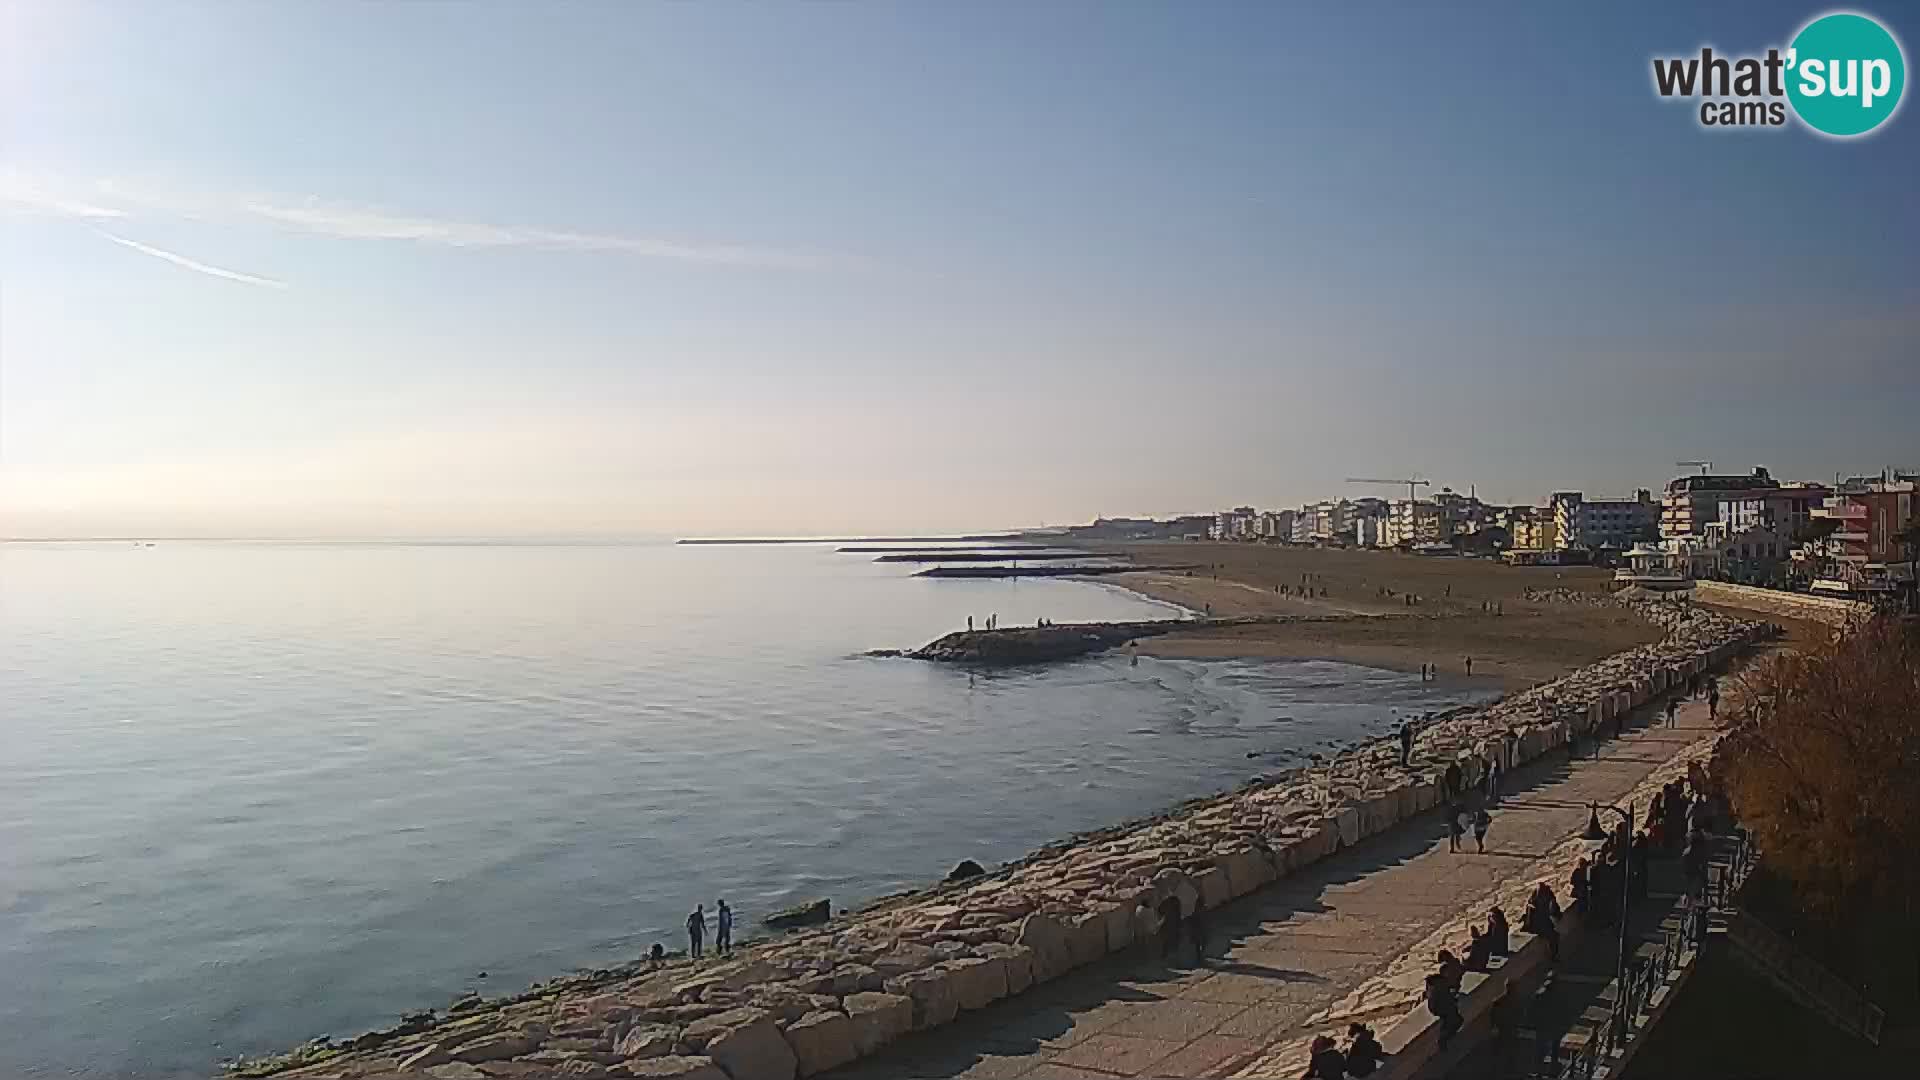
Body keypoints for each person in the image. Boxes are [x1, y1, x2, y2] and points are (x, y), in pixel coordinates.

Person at [1524, 883, 1563, 962]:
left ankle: (1552, 954)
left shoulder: (1535, 897)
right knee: (1554, 937)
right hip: (1542, 924)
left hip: (1536, 924)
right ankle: (1553, 956)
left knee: (1553, 936)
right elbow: (1554, 910)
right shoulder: (1547, 897)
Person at [1425, 972, 1462, 1048]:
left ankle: (1445, 1037)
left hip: (1441, 1007)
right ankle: (1444, 1039)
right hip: (1443, 1007)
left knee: (1451, 1020)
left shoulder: (1438, 984)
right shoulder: (1441, 984)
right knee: (1455, 1020)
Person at [1156, 896, 1183, 961]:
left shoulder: (1165, 902)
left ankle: (1165, 956)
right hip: (1175, 924)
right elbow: (1179, 912)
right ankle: (1173, 956)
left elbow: (1160, 911)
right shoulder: (1176, 900)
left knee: (1166, 941)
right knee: (1174, 940)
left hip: (1167, 924)